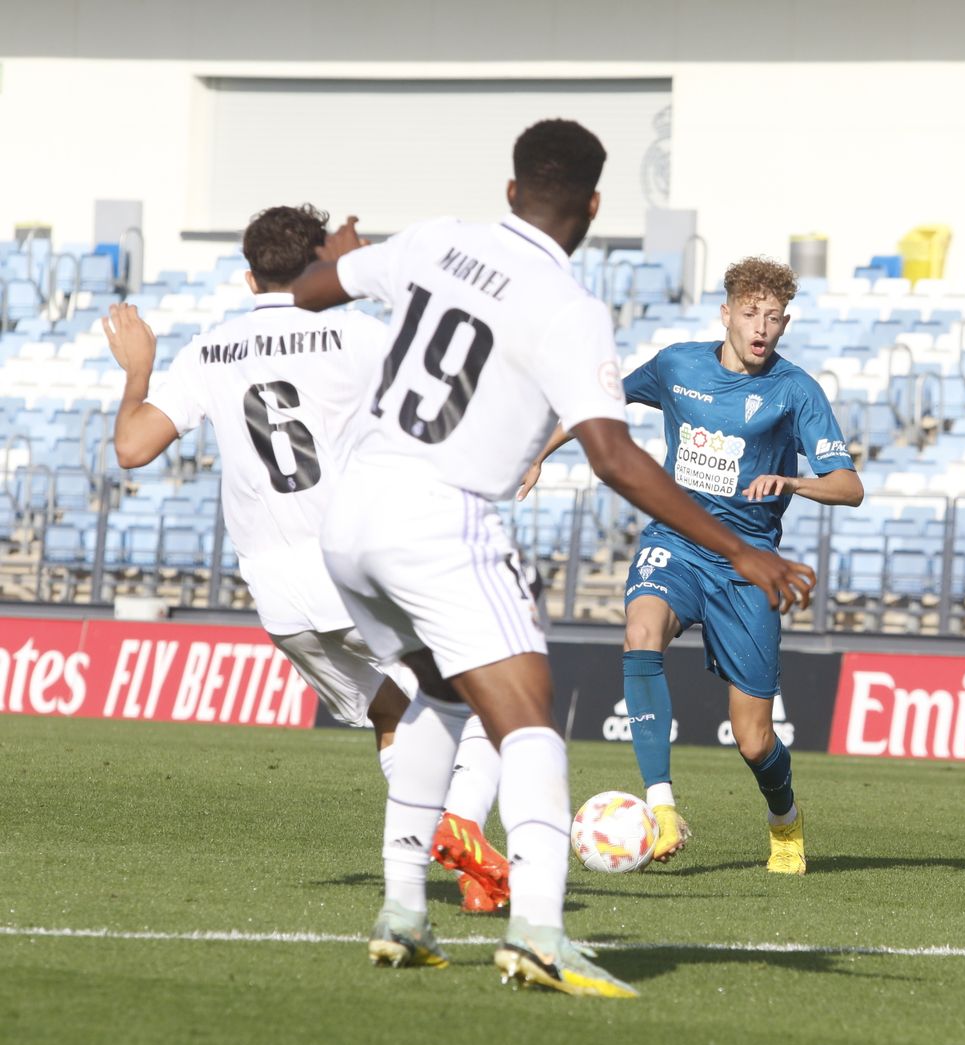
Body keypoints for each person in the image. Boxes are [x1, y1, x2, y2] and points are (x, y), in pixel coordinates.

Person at [289, 119, 814, 996]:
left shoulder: (433, 241)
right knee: (529, 720)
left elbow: (310, 290)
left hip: (349, 514)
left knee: (443, 694)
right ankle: (537, 933)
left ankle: (402, 913)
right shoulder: (567, 307)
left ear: (510, 188)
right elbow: (615, 457)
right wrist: (740, 551)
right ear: (596, 206)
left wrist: (345, 252)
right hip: (441, 518)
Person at [102, 206, 514, 915]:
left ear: (247, 274)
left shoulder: (210, 348)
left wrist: (138, 370)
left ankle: (461, 866)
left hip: (278, 595)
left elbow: (134, 447)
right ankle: (464, 828)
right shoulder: (358, 335)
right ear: (318, 266)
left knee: (391, 714)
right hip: (354, 568)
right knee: (488, 696)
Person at [521, 256, 863, 874]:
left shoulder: (795, 390)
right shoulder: (678, 365)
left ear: (785, 324)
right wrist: (538, 456)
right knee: (640, 631)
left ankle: (784, 818)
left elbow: (849, 485)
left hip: (748, 567)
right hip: (676, 542)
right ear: (726, 313)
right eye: (751, 313)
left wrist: (792, 480)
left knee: (755, 739)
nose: (762, 328)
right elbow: (593, 405)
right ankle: (662, 808)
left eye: (774, 318)